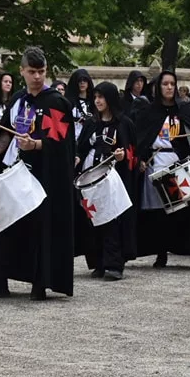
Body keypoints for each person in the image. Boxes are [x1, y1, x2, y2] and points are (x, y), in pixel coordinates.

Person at [0, 46, 75, 300]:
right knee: (5, 224)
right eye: (32, 71)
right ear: (22, 71)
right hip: (15, 171)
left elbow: (61, 142)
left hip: (42, 176)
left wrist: (36, 144)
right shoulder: (18, 100)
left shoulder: (55, 103)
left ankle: (40, 282)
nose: (37, 77)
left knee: (39, 230)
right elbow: (5, 134)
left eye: (41, 71)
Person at [134, 71, 190, 268]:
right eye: (165, 84)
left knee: (186, 210)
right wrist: (140, 158)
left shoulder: (185, 109)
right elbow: (141, 139)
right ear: (158, 87)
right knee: (159, 213)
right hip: (156, 163)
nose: (168, 87)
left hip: (179, 165)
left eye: (172, 84)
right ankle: (160, 252)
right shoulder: (149, 112)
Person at [74, 81, 139, 280]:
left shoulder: (124, 124)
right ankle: (98, 262)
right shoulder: (91, 123)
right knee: (92, 219)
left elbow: (133, 153)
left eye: (101, 97)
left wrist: (122, 157)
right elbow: (81, 147)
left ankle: (114, 264)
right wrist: (76, 157)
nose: (97, 101)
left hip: (111, 180)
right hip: (90, 177)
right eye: (95, 97)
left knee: (111, 220)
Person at [65, 68, 95, 142]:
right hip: (73, 137)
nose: (82, 83)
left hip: (91, 138)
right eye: (79, 81)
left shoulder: (94, 101)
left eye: (84, 80)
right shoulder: (69, 102)